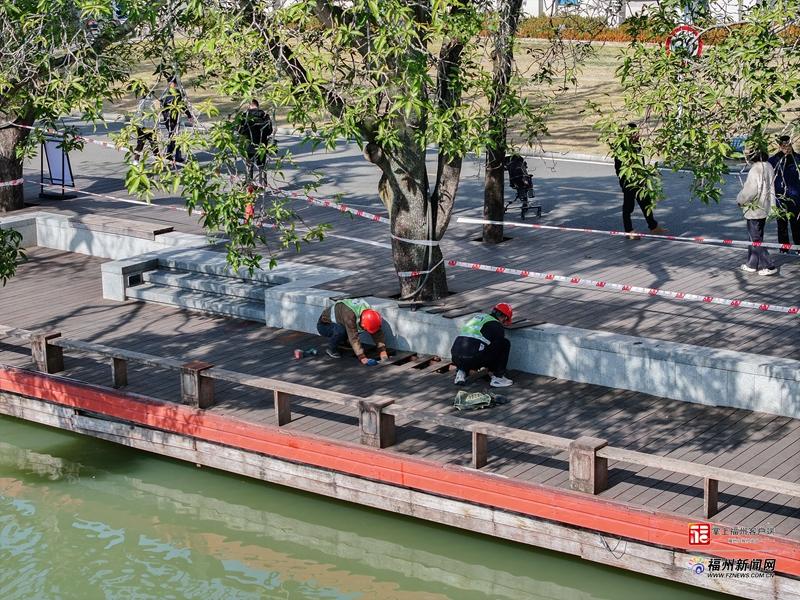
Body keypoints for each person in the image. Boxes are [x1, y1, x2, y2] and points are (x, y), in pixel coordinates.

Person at [613, 123, 667, 240]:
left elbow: (641, 162)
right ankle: (629, 231)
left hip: (640, 180)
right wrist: (625, 182)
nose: (638, 135)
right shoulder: (621, 148)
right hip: (628, 182)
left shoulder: (637, 145)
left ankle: (653, 226)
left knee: (646, 203)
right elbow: (618, 168)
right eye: (635, 133)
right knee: (628, 207)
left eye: (637, 133)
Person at [450, 303, 514, 388]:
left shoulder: (478, 317)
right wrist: (493, 370)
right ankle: (498, 379)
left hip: (455, 358)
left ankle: (461, 373)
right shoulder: (497, 326)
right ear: (505, 317)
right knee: (504, 343)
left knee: (469, 349)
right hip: (473, 360)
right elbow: (496, 350)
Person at [737, 150, 777, 276]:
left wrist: (740, 200)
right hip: (765, 206)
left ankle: (769, 265)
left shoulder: (755, 169)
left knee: (755, 238)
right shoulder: (768, 166)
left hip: (755, 208)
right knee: (757, 236)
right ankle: (752, 264)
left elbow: (750, 190)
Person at [317, 298, 389, 365]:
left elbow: (376, 332)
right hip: (324, 325)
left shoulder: (369, 314)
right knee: (341, 331)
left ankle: (343, 342)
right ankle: (331, 349)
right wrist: (362, 357)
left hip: (341, 322)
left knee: (349, 328)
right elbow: (353, 338)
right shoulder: (350, 316)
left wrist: (382, 351)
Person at [768, 135, 800, 252]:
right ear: (780, 146)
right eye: (784, 146)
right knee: (782, 226)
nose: (787, 148)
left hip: (795, 198)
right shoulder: (773, 161)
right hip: (779, 199)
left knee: (796, 225)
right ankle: (783, 249)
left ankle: (798, 248)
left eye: (789, 145)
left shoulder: (797, 160)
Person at [237, 99, 273, 182]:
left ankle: (249, 186)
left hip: (248, 145)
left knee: (249, 166)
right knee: (262, 166)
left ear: (249, 106)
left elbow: (239, 131)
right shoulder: (265, 116)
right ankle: (262, 184)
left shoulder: (245, 117)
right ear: (258, 106)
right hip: (262, 145)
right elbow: (269, 131)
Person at [160, 79, 193, 162]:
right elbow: (162, 106)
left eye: (173, 83)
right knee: (175, 136)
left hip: (174, 118)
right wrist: (166, 116)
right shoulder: (167, 93)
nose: (172, 85)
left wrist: (188, 115)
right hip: (169, 118)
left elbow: (182, 105)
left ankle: (170, 154)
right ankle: (173, 155)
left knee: (174, 135)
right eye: (171, 83)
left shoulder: (177, 93)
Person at [132, 93, 159, 164]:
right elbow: (140, 114)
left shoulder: (144, 102)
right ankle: (158, 161)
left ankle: (136, 160)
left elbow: (138, 114)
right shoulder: (147, 102)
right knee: (153, 144)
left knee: (140, 144)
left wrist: (139, 126)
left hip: (145, 128)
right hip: (149, 128)